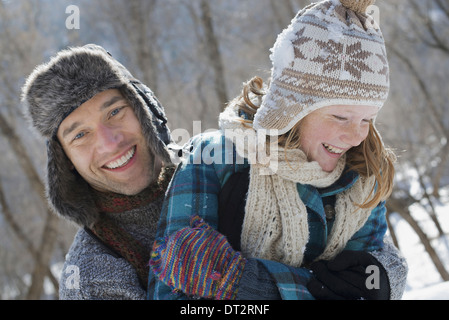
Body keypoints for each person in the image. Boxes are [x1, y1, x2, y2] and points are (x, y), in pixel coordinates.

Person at [149, 0, 408, 300]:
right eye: (340, 117)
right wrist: (310, 289)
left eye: (367, 119)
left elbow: (363, 290)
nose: (356, 136)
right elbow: (173, 291)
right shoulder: (214, 161)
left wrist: (248, 283)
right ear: (292, 108)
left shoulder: (363, 178)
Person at [21, 44, 178, 299]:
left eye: (115, 112)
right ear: (66, 160)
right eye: (81, 135)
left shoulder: (215, 174)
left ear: (143, 110)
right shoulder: (90, 280)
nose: (110, 143)